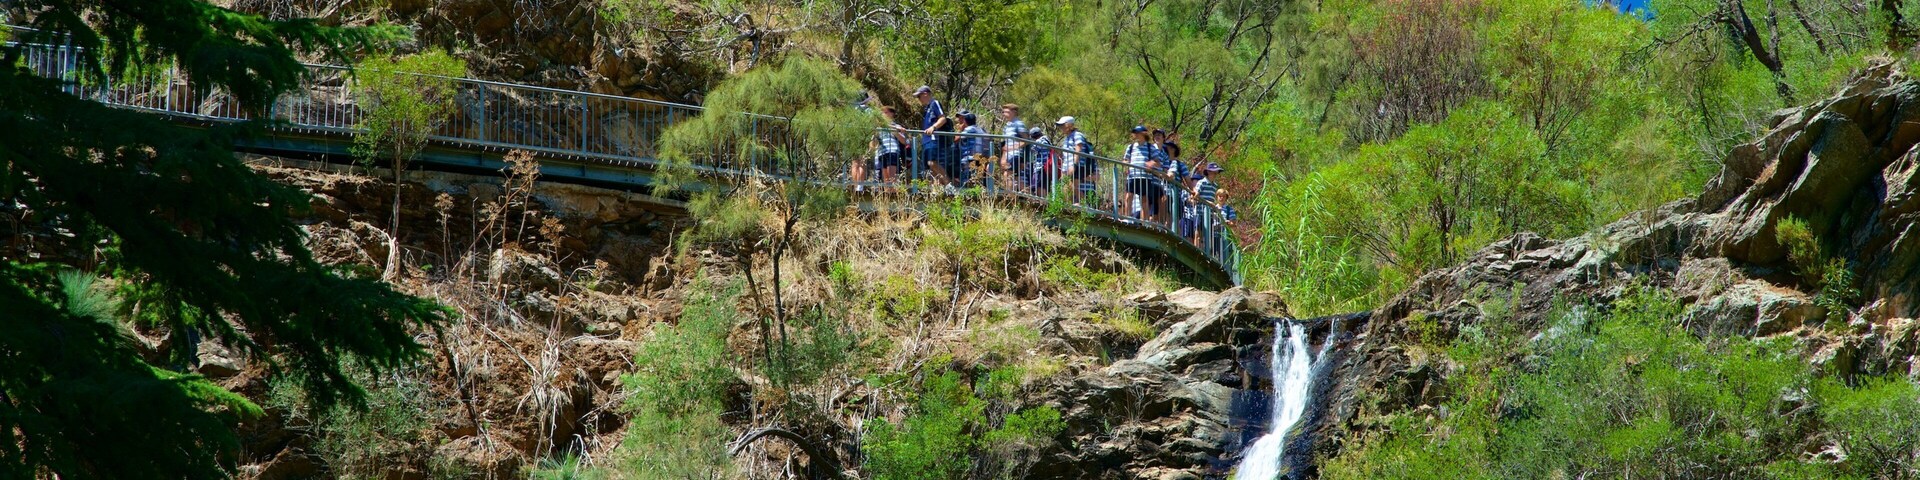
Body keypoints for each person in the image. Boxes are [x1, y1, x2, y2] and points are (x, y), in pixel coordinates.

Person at [1123, 125, 1165, 222]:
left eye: (1138, 133)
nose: (1135, 135)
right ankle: (1127, 218)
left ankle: (1144, 221)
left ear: (1143, 134)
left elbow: (1158, 163)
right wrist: (1126, 166)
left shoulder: (1150, 148)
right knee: (1129, 196)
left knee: (1144, 199)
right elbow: (1125, 160)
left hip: (1145, 177)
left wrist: (1151, 164)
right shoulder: (1131, 147)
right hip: (1132, 176)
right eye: (1135, 133)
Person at [914, 85, 953, 185]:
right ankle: (936, 191)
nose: (918, 99)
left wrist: (933, 127)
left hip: (934, 139)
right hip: (926, 141)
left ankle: (949, 185)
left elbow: (942, 118)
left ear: (926, 94)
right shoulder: (926, 109)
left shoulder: (934, 103)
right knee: (930, 168)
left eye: (919, 96)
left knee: (932, 162)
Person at [1056, 116, 1095, 205]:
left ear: (1068, 125)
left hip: (1077, 165)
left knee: (1073, 185)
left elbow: (1078, 148)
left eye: (1062, 125)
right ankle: (1067, 205)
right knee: (1065, 186)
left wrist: (1074, 165)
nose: (1061, 128)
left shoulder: (1077, 135)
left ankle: (1084, 206)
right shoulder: (1067, 138)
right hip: (1067, 166)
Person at [872, 105, 907, 184]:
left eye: (885, 112)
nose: (882, 115)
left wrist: (893, 130)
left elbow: (904, 141)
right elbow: (873, 144)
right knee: (885, 178)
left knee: (892, 177)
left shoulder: (896, 126)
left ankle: (893, 193)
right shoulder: (879, 127)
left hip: (892, 151)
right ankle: (888, 194)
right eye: (882, 113)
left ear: (891, 114)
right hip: (881, 153)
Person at [999, 104, 1026, 191]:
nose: (1004, 114)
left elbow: (1026, 140)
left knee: (1010, 175)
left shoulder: (1019, 124)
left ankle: (1011, 197)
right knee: (1007, 175)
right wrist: (1003, 158)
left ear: (1014, 112)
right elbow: (1005, 144)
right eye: (1003, 112)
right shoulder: (1007, 126)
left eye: (1006, 112)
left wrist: (1013, 148)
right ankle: (1011, 197)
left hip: (1016, 154)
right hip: (1008, 155)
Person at [1028, 126, 1053, 194]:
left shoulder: (1039, 141)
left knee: (1039, 185)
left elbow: (1033, 150)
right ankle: (1043, 202)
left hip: (1040, 167)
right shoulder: (1047, 140)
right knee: (1044, 186)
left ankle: (1040, 201)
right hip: (1046, 167)